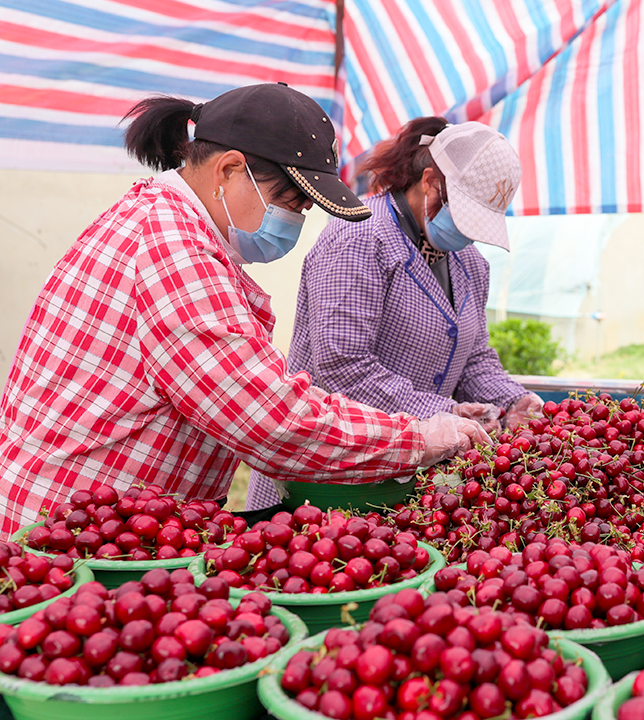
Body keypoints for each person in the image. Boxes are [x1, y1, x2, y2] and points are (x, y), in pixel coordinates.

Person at [0, 84, 487, 537]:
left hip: (111, 519)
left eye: (301, 210)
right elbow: (270, 421)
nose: (293, 221)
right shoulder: (173, 250)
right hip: (68, 533)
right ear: (229, 170)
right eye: (287, 202)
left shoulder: (165, 223)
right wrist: (416, 439)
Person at [244, 118, 541, 511]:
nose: (467, 235)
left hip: (410, 472)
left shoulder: (470, 264)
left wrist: (512, 400)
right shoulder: (359, 238)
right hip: (332, 470)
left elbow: (475, 359)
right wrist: (443, 412)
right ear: (431, 181)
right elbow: (341, 367)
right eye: (464, 216)